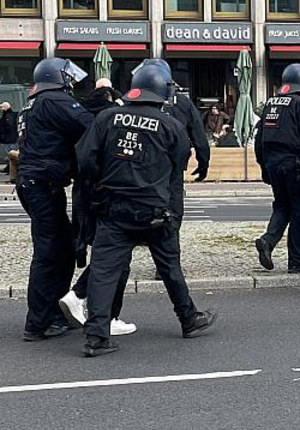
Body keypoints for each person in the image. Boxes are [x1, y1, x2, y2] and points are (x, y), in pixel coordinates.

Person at [73, 62, 217, 357]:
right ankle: (188, 318)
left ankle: (97, 336)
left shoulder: (107, 117)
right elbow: (178, 166)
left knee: (103, 271)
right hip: (154, 209)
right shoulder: (171, 125)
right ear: (162, 91)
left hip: (113, 207)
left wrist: (102, 183)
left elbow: (85, 160)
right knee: (169, 266)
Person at [17, 57, 93, 342]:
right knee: (49, 253)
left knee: (63, 249)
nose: (71, 83)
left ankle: (55, 313)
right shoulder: (54, 100)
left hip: (36, 182)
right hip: (43, 184)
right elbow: (89, 125)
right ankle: (38, 323)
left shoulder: (33, 103)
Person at [59, 78, 138, 337]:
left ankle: (87, 304)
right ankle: (99, 311)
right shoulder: (114, 117)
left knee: (106, 252)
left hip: (83, 191)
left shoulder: (78, 112)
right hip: (107, 190)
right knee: (116, 255)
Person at [253, 63, 300, 274]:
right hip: (295, 164)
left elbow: (259, 139)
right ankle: (297, 260)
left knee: (282, 206)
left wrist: (263, 166)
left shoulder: (270, 104)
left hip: (272, 163)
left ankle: (268, 241)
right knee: (299, 211)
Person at [133, 59, 210, 183]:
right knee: (173, 191)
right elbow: (199, 136)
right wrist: (203, 163)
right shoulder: (183, 102)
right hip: (173, 160)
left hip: (139, 162)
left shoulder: (130, 105)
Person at [0, 101, 19, 174]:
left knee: (11, 155)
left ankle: (12, 170)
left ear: (5, 108)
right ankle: (9, 168)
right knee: (11, 155)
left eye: (2, 107)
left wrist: (3, 136)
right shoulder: (11, 115)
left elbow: (9, 127)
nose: (1, 109)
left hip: (9, 139)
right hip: (11, 138)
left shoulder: (7, 116)